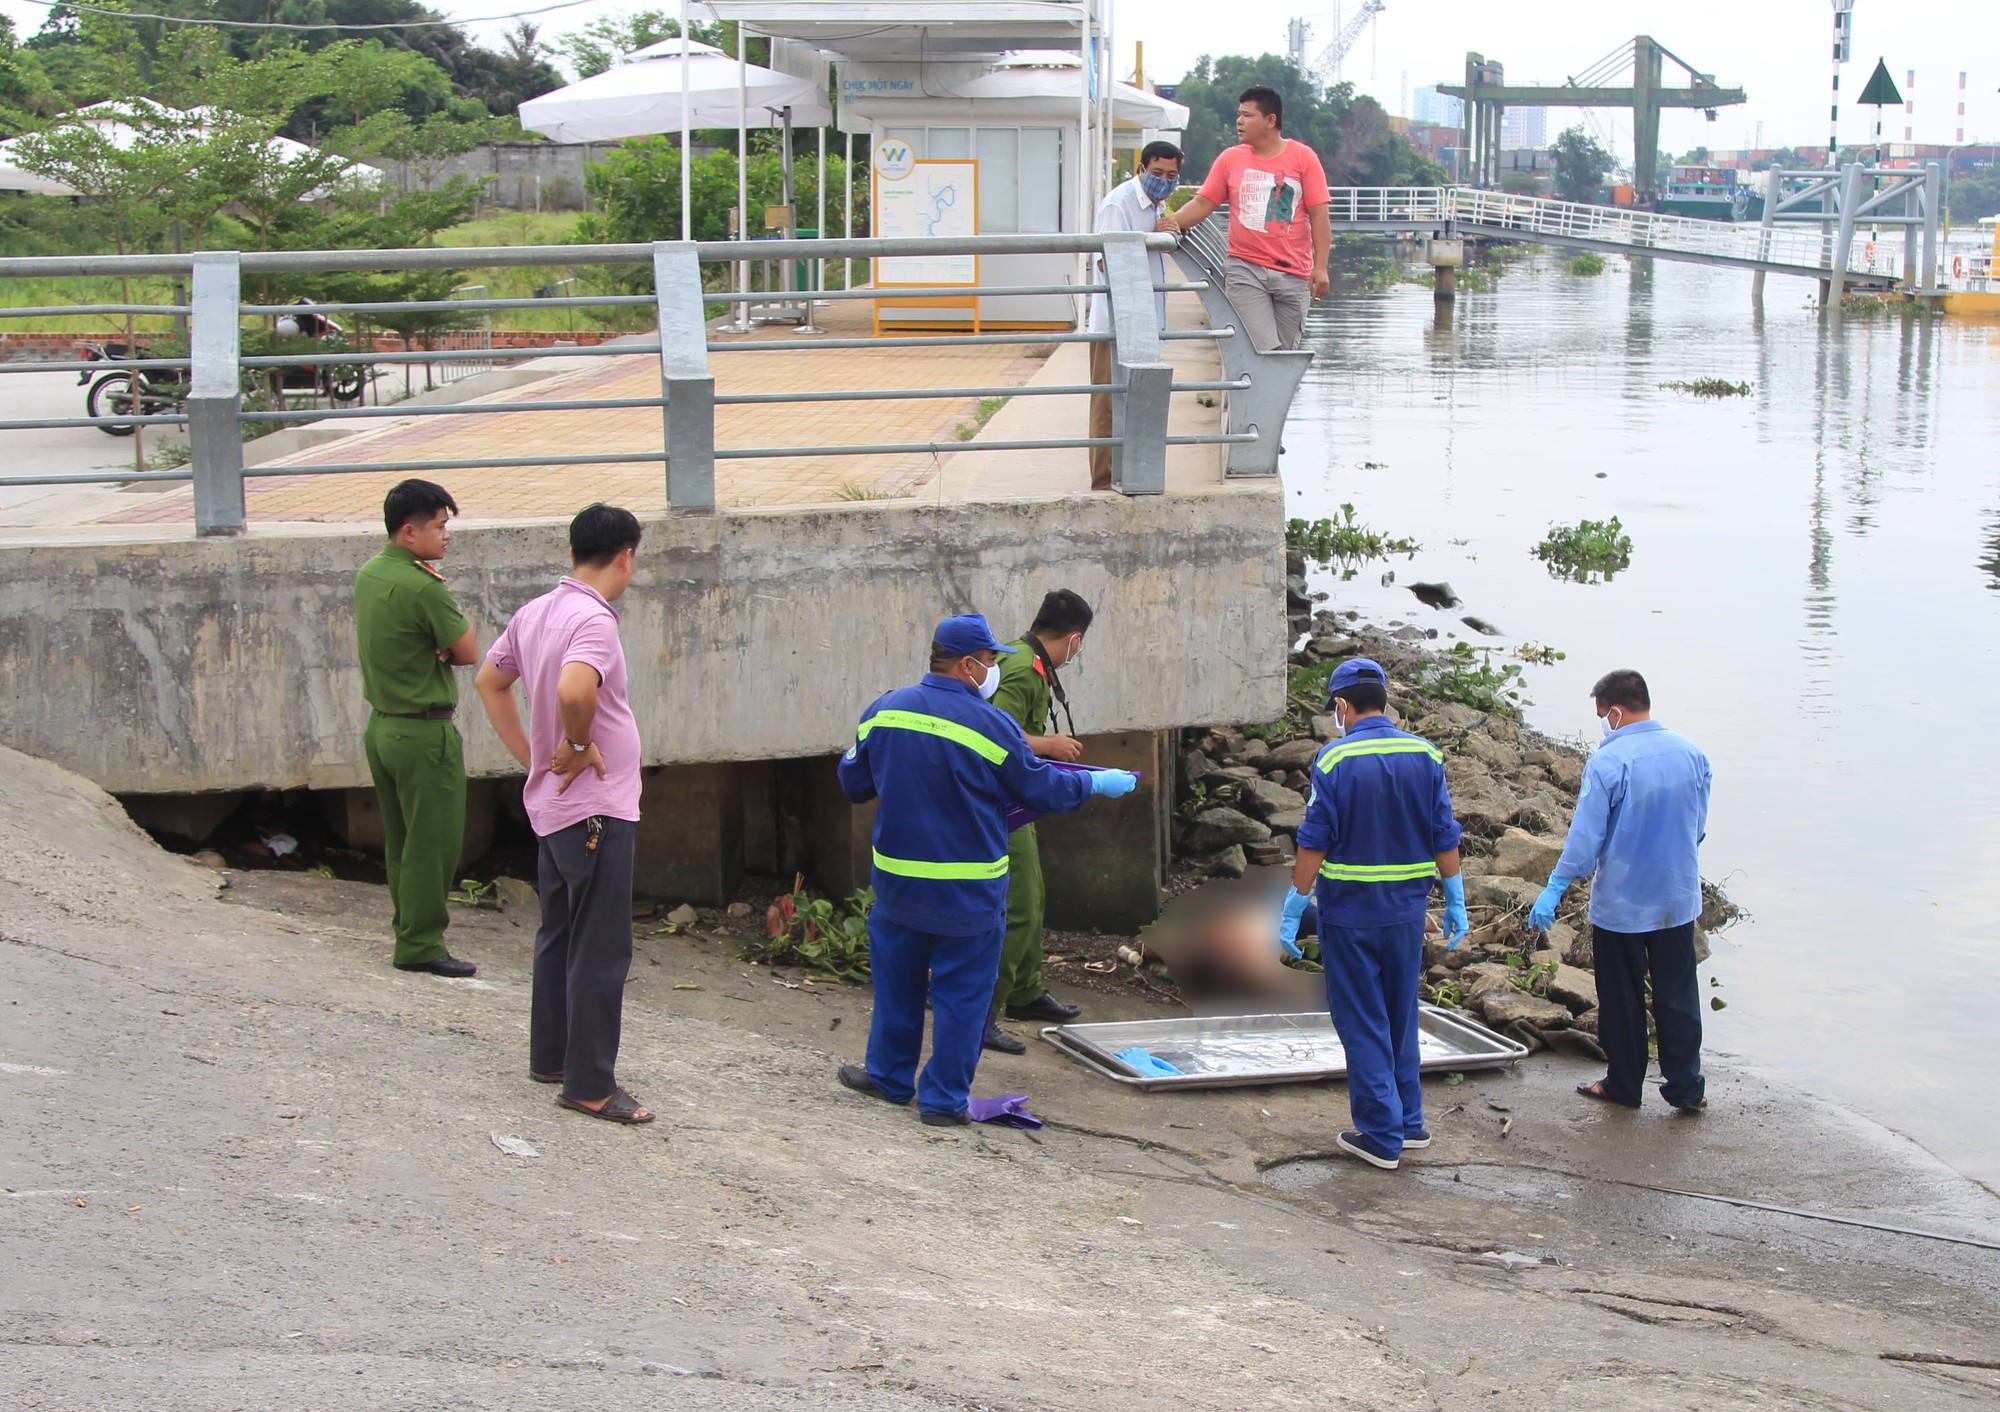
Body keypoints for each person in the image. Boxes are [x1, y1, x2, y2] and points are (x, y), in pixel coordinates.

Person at [835, 614, 1138, 1125]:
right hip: (967, 892)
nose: (994, 669)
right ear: (968, 664)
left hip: (898, 887)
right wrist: (1095, 784)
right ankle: (942, 1101)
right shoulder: (991, 726)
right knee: (962, 999)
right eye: (991, 661)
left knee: (898, 987)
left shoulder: (883, 711)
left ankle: (888, 1079)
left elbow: (854, 784)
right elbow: (1040, 788)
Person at [475, 504, 654, 1126]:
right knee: (600, 947)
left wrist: (533, 759)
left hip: (554, 807)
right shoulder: (593, 621)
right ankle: (590, 1085)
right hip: (595, 807)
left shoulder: (536, 612)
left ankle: (552, 1055)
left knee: (559, 934)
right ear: (626, 555)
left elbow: (488, 682)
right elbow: (576, 690)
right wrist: (577, 746)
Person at [1279, 659, 1468, 1170]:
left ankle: (1380, 1136)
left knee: (1362, 1021)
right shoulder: (1425, 754)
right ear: (1383, 699)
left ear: (1342, 705)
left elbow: (1313, 840)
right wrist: (1454, 896)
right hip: (1407, 914)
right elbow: (1443, 834)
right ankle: (1409, 1123)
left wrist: (1296, 903)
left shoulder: (1335, 760)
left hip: (1351, 915)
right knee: (1400, 1014)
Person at [1529, 670, 1712, 1114]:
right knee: (1679, 995)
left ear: (1615, 711)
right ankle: (1687, 1088)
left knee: (1622, 997)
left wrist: (1555, 886)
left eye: (1602, 715)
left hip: (1623, 904)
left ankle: (1625, 1084)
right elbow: (1699, 827)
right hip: (1676, 898)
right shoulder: (1692, 754)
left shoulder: (1610, 763)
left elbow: (1586, 840)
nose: (1602, 725)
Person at [353, 478, 480, 977]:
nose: (446, 535)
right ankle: (420, 944)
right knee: (434, 842)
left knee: (402, 839)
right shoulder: (422, 586)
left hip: (383, 727)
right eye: (439, 526)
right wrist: (446, 647)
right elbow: (469, 652)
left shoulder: (371, 573)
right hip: (424, 733)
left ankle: (407, 928)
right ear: (410, 532)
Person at [983, 589, 1095, 1055]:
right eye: (1081, 642)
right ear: (1072, 638)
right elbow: (989, 730)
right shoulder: (1021, 671)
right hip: (1000, 806)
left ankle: (1026, 992)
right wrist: (1047, 746)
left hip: (1017, 801)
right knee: (1019, 906)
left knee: (1034, 896)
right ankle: (984, 1012)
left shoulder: (1027, 661)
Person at [1157, 86, 1331, 352]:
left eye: (1247, 115)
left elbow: (1319, 214)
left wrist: (1320, 267)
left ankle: (1266, 395)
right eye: (1239, 115)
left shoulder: (1303, 158)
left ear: (1270, 120)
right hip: (1246, 268)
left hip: (1294, 273)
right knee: (1261, 351)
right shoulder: (1231, 159)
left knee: (1285, 357)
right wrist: (1174, 222)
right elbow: (1204, 202)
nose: (1239, 121)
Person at [1088, 141, 1182, 490]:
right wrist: (1149, 238)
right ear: (1141, 169)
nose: (1163, 180)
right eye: (1157, 173)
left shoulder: (1157, 205)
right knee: (1107, 404)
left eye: (1172, 175)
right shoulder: (1119, 204)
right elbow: (1105, 262)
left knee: (1138, 401)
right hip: (1115, 324)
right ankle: (1102, 481)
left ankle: (1130, 475)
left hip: (1144, 323)